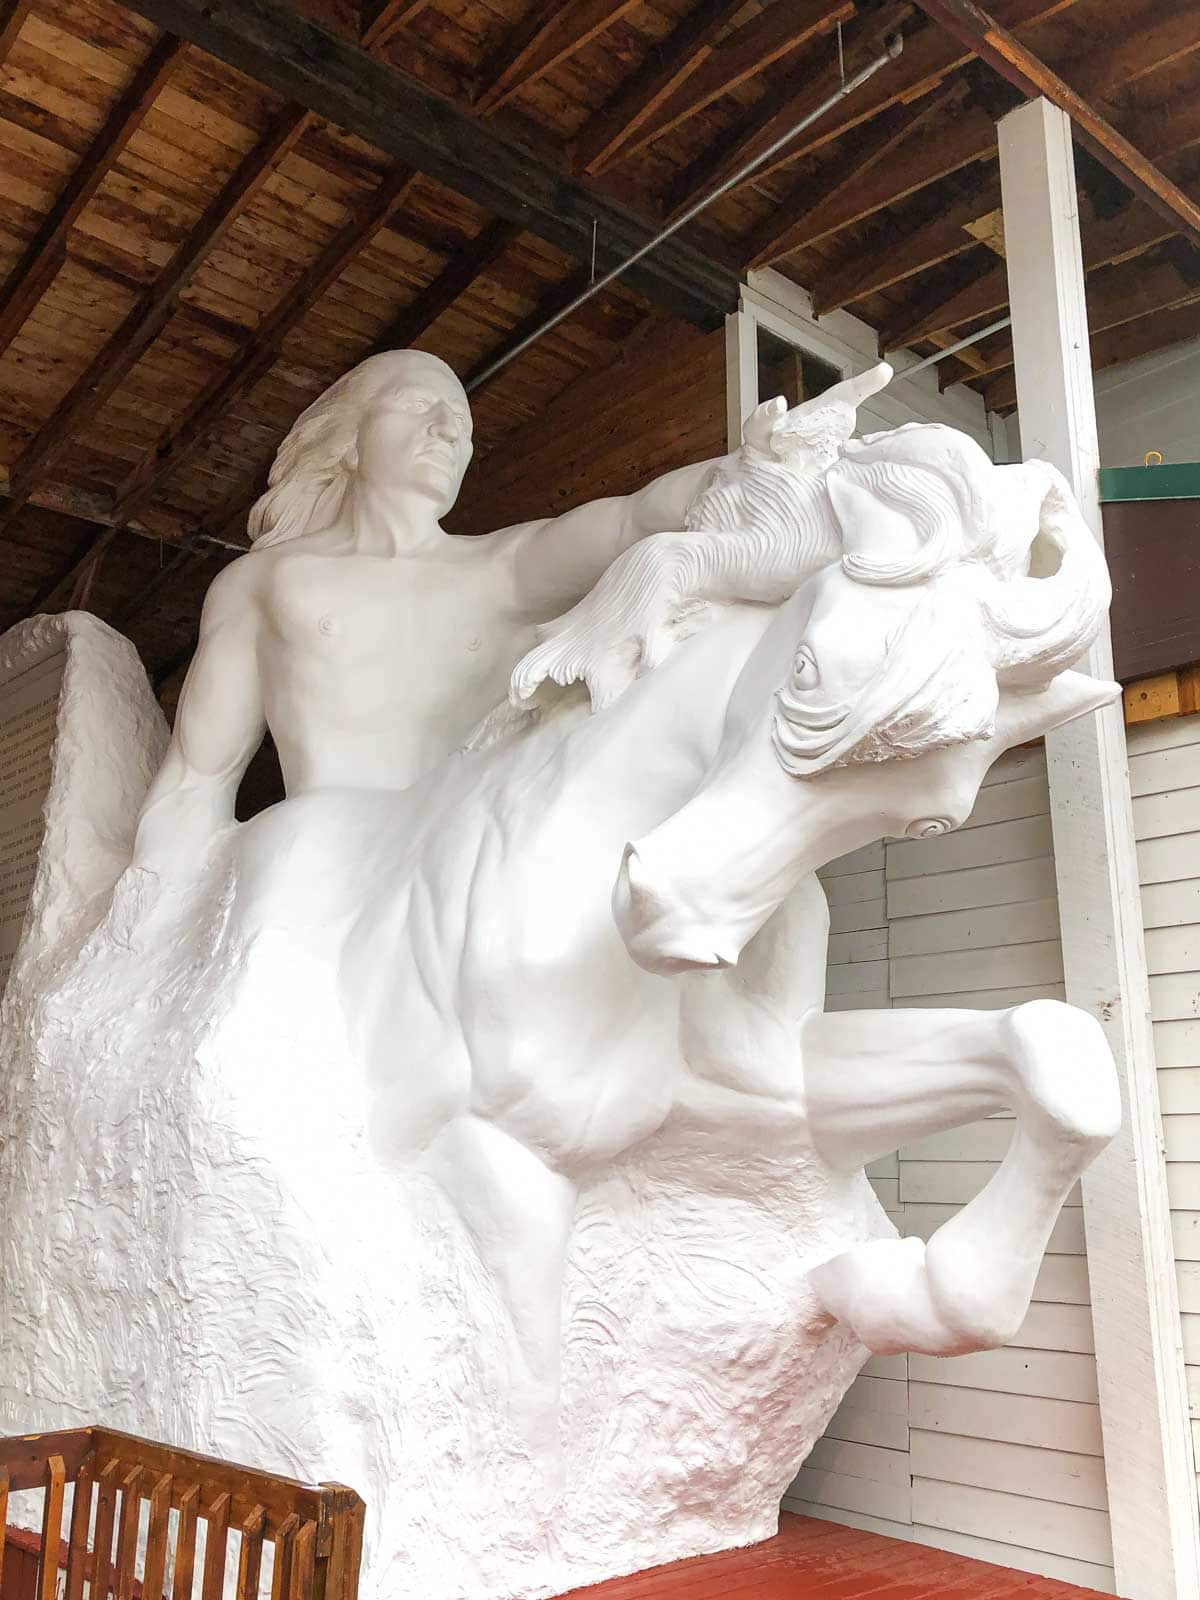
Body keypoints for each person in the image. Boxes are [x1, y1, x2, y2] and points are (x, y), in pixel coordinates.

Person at [132, 348, 790, 869]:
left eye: (463, 424)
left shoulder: (502, 571)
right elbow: (196, 780)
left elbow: (631, 520)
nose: (448, 429)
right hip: (324, 876)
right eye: (418, 403)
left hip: (467, 882)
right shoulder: (264, 583)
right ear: (352, 442)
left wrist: (747, 470)